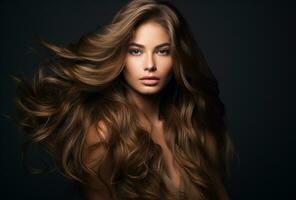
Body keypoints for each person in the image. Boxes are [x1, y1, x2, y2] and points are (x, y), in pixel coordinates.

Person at [14, 0, 235, 199]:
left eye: (163, 51)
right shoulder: (104, 135)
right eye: (136, 52)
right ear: (120, 56)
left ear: (178, 58)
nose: (150, 65)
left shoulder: (196, 128)